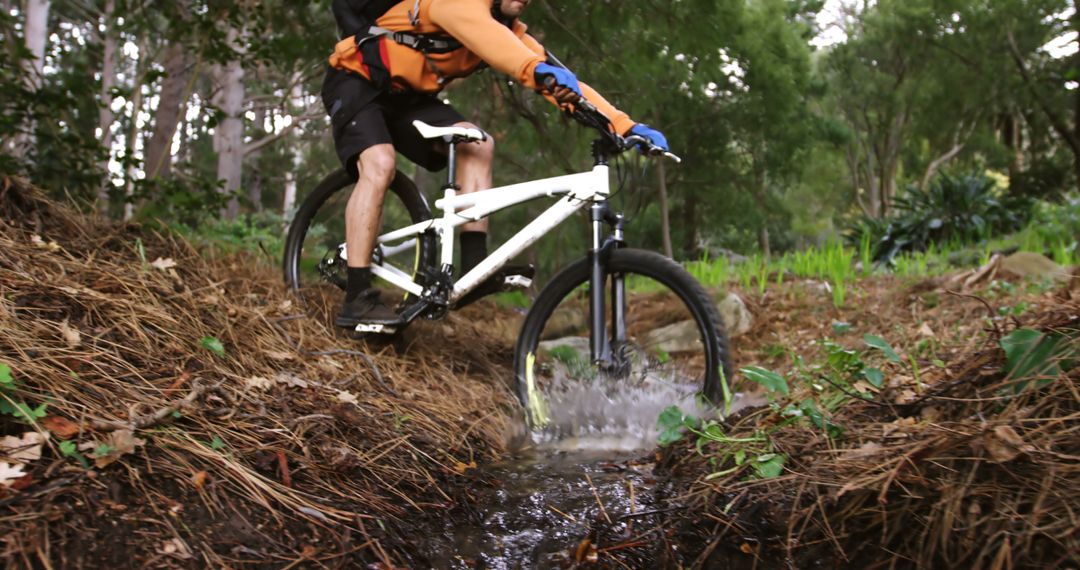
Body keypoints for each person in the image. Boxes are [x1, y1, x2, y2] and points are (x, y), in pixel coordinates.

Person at [322, 0, 668, 328]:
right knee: (380, 164)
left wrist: (625, 126)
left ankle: (476, 268)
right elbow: (503, 51)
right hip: (357, 82)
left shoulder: (510, 32)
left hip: (410, 98)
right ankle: (357, 297)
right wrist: (536, 70)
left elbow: (564, 79)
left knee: (479, 143)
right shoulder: (458, 5)